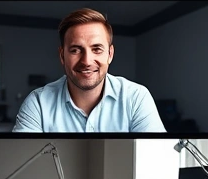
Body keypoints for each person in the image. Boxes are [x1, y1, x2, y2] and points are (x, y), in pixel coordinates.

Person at [12, 8, 165, 133]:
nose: (86, 61)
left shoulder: (136, 98)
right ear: (62, 56)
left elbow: (154, 154)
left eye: (97, 49)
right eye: (75, 50)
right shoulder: (37, 103)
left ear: (110, 54)